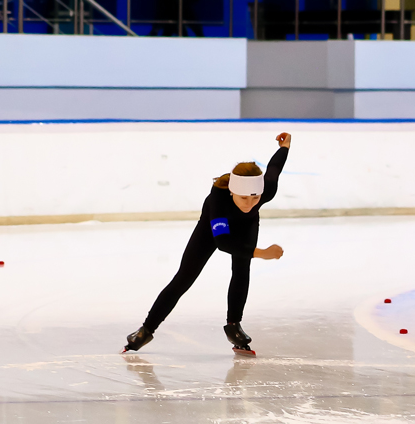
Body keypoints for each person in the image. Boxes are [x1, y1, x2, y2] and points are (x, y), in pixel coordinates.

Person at [124, 133, 292, 354]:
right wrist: (261, 253)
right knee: (185, 277)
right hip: (210, 229)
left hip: (246, 225)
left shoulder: (265, 189)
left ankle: (234, 326)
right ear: (232, 191)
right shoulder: (218, 200)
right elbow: (223, 242)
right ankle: (146, 330)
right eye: (243, 198)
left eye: (255, 198)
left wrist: (284, 147)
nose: (250, 204)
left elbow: (274, 169)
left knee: (242, 269)